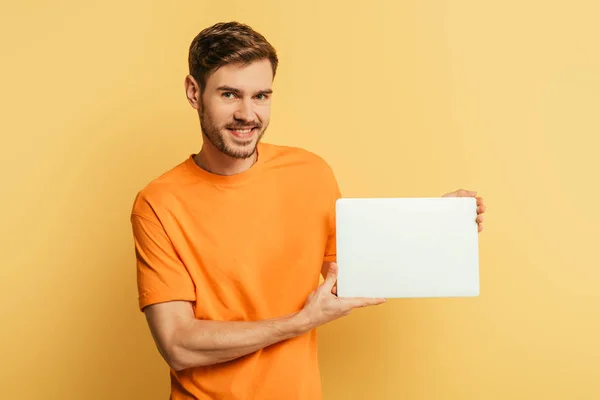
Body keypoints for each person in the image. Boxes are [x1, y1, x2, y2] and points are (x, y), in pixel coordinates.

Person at [130, 21, 486, 399]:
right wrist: (299, 322)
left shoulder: (310, 173)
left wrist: (436, 225)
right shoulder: (158, 203)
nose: (247, 114)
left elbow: (354, 275)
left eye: (261, 96)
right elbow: (178, 345)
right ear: (193, 92)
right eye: (230, 94)